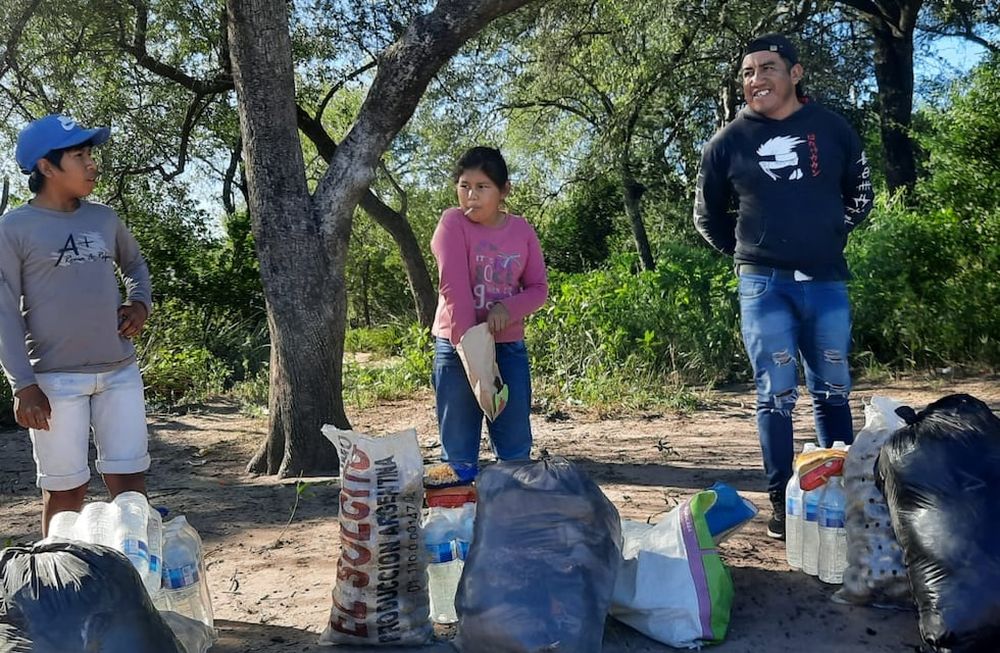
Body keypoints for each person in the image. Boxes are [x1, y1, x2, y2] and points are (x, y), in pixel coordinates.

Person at [693, 34, 874, 539]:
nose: (756, 79)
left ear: (795, 73)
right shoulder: (727, 142)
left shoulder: (832, 128)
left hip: (826, 281)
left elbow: (861, 193)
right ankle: (781, 499)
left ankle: (836, 494)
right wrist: (750, 254)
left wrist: (830, 233)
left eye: (767, 68)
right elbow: (707, 216)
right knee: (775, 395)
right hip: (763, 286)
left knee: (832, 389)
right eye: (748, 72)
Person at [0, 114, 153, 535]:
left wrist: (139, 303)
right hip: (54, 381)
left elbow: (135, 265)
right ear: (46, 167)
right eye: (79, 155)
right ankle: (58, 572)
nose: (91, 164)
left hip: (120, 373)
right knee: (66, 492)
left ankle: (135, 570)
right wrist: (23, 385)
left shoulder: (104, 219)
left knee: (130, 487)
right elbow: (4, 310)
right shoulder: (13, 229)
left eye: (90, 154)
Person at [430, 146, 548, 477]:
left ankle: (510, 507)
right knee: (458, 455)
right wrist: (476, 358)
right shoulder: (452, 223)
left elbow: (538, 289)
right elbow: (453, 289)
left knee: (514, 451)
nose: (471, 196)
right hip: (457, 349)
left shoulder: (521, 231)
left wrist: (507, 309)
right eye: (464, 186)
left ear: (503, 190)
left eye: (482, 187)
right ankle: (458, 510)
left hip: (508, 349)